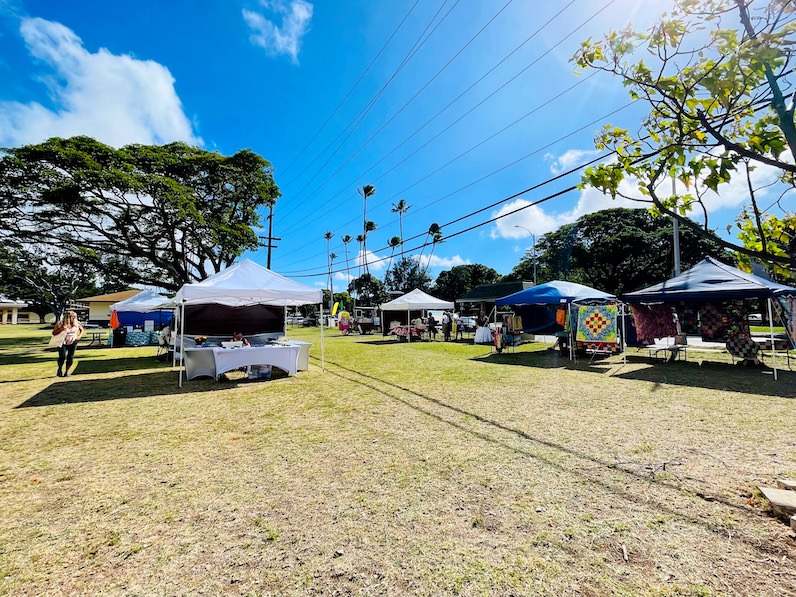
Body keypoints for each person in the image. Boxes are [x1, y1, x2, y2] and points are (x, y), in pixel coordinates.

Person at [55, 311, 84, 377]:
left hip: (73, 341)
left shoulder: (77, 323)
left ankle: (67, 371)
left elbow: (82, 329)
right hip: (63, 342)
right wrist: (62, 328)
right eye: (72, 317)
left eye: (75, 317)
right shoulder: (61, 323)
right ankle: (59, 369)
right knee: (62, 356)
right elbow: (54, 332)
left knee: (70, 357)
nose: (74, 319)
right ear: (68, 317)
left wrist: (79, 336)